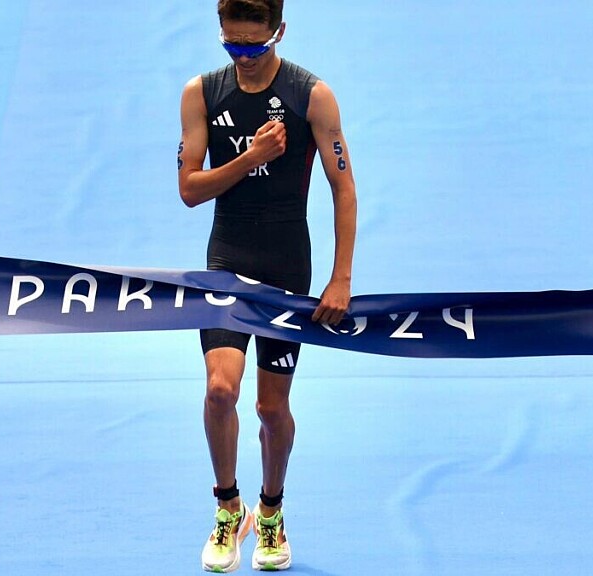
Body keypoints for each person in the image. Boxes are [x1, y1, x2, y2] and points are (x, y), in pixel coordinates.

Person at [177, 0, 357, 572]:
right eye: (231, 44)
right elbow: (190, 189)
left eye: (254, 46)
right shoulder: (202, 93)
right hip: (226, 259)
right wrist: (251, 158)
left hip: (286, 266)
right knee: (219, 391)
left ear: (279, 32)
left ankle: (272, 511)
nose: (244, 56)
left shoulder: (312, 96)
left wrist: (340, 279)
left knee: (271, 408)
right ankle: (228, 508)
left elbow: (344, 189)